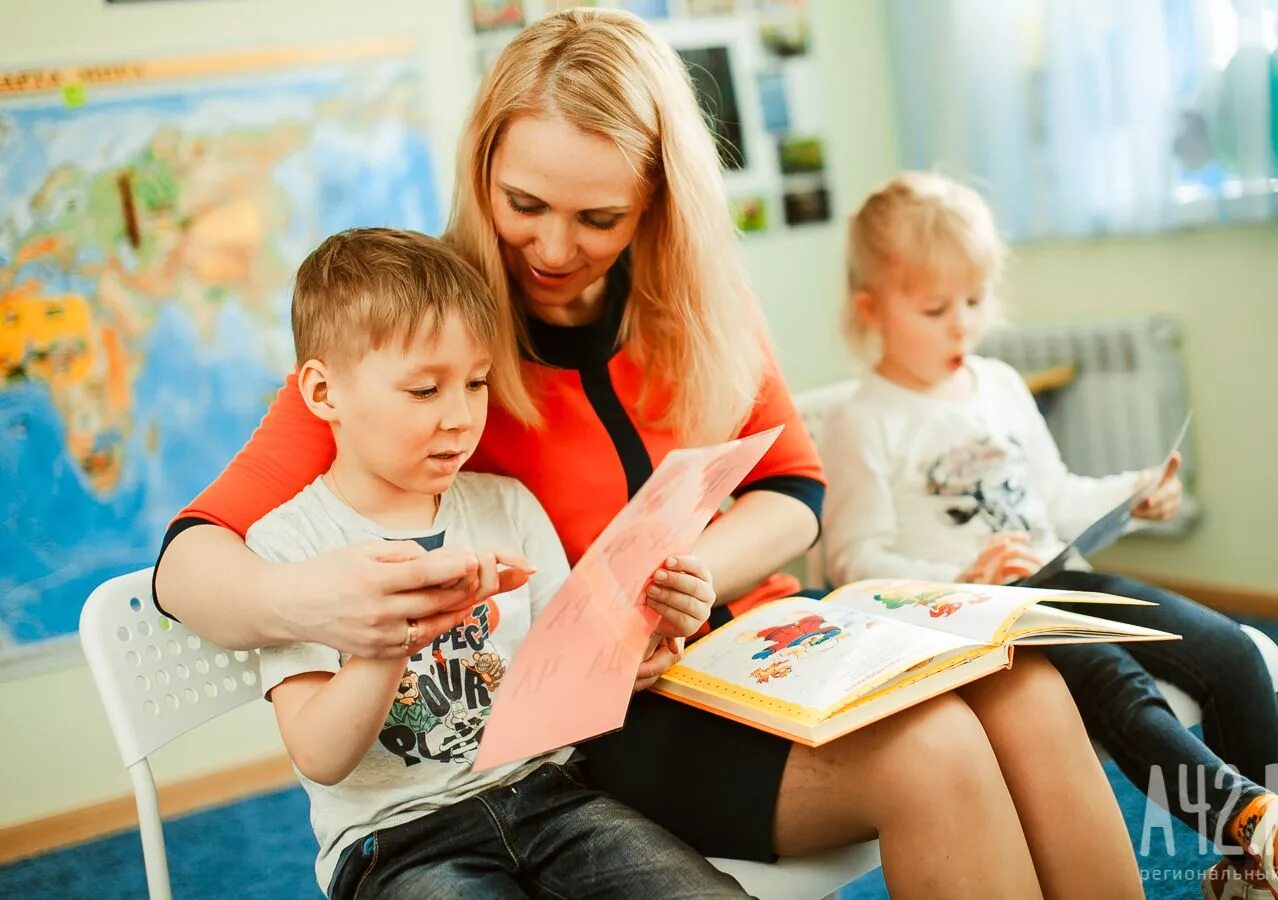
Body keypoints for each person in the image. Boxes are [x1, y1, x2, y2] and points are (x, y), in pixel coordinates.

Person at [155, 10, 1145, 897]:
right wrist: (313, 604)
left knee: (1030, 687)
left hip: (749, 645)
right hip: (612, 722)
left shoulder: (698, 296)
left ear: (657, 204)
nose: (552, 249)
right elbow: (188, 562)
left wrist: (691, 573)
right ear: (482, 172)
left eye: (599, 219)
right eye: (525, 204)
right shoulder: (426, 336)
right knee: (937, 757)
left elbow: (794, 487)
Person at [822, 170, 1278, 900]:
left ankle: (1265, 873)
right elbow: (853, 562)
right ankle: (1267, 829)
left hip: (1058, 574)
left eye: (975, 302)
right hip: (971, 617)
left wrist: (1132, 496)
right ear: (871, 309)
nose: (962, 325)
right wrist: (964, 574)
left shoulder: (1000, 382)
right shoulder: (862, 419)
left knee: (1229, 652)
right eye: (936, 306)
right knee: (1112, 678)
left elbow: (1057, 496)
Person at [246, 227, 746, 898]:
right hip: (395, 840)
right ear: (324, 392)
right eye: (424, 391)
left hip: (549, 797)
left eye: (476, 383)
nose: (460, 417)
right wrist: (396, 635)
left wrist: (644, 638)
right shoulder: (287, 548)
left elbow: (561, 683)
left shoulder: (507, 506)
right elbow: (319, 754)